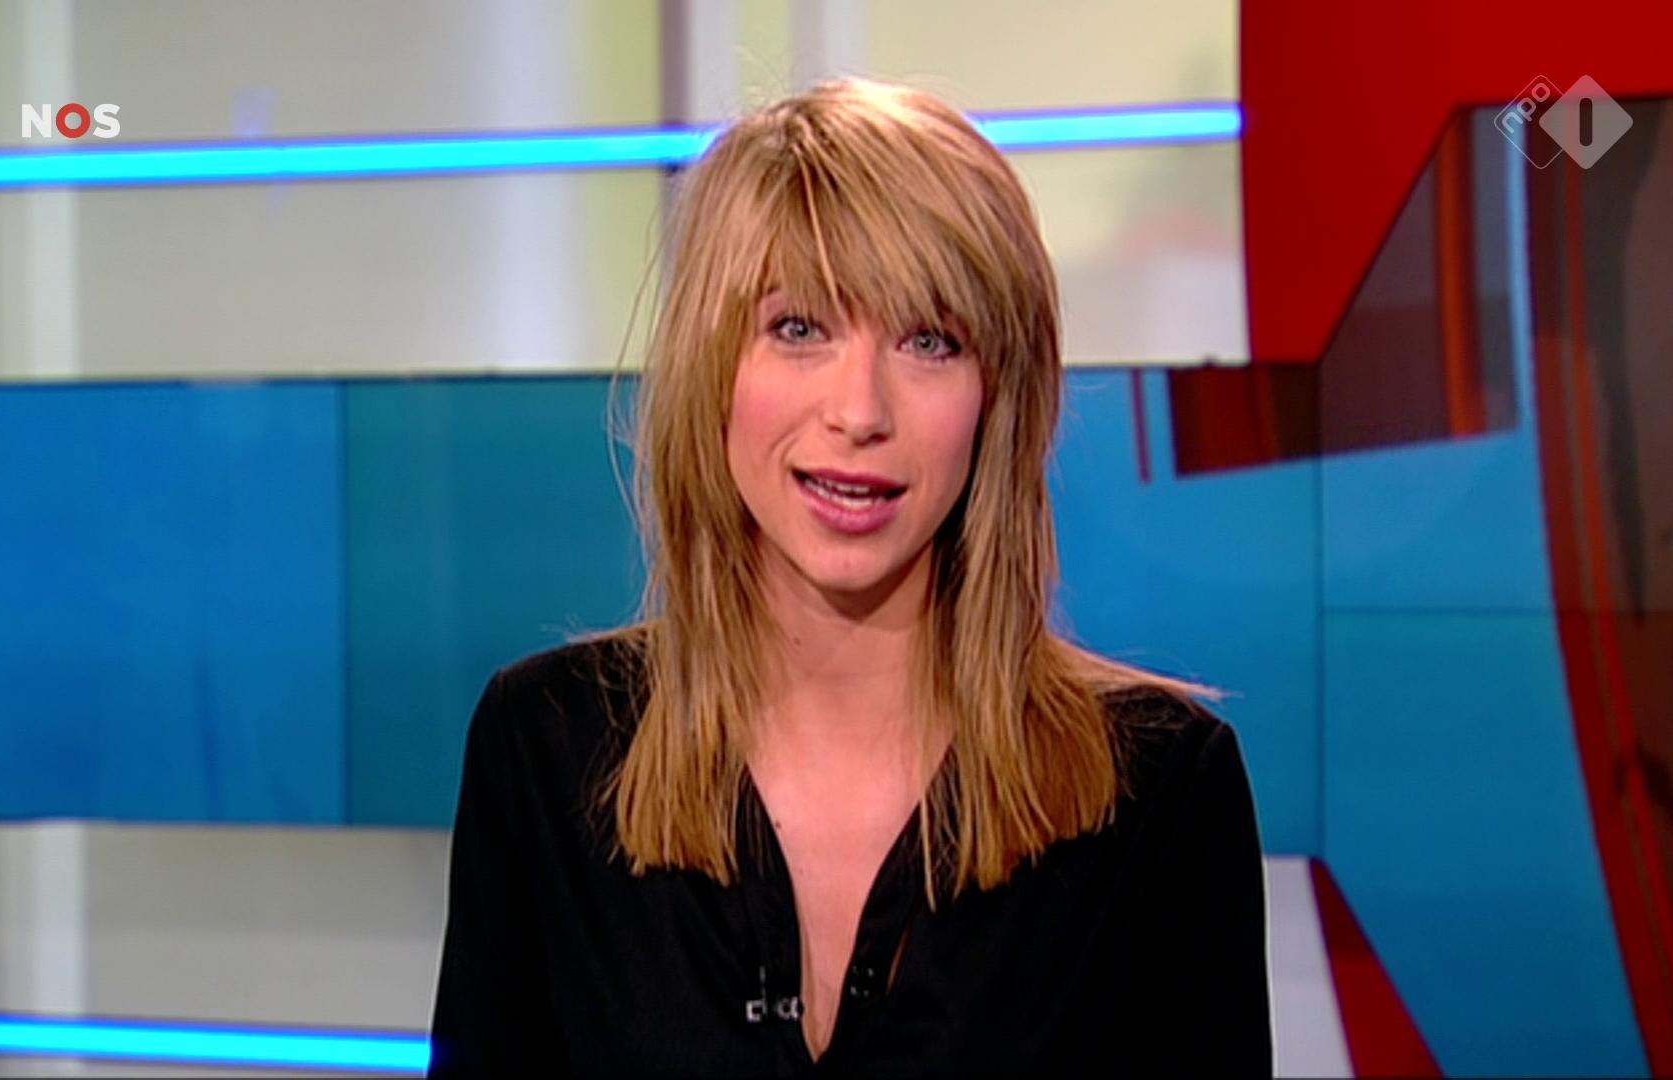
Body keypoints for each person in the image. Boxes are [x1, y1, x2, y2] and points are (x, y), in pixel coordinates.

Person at [428, 76, 1273, 1077]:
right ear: (713, 367)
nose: (859, 411)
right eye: (799, 328)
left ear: (996, 399)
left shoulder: (1159, 794)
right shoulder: (545, 751)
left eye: (929, 341)